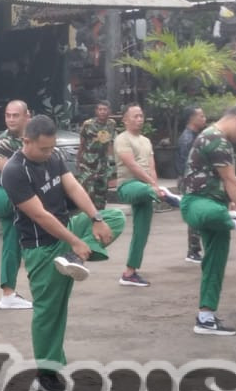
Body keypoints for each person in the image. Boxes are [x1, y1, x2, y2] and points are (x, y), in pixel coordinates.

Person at [2, 115, 125, 391]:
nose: (48, 154)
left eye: (51, 148)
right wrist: (75, 242)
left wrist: (94, 218)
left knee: (114, 218)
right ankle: (47, 373)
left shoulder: (53, 156)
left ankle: (73, 258)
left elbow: (73, 187)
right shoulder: (14, 171)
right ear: (26, 141)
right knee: (50, 311)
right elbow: (39, 215)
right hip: (41, 247)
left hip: (67, 231)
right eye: (43, 149)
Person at [180, 104, 236, 335]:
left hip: (215, 203)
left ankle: (206, 317)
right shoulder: (216, 139)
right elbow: (231, 179)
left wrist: (231, 201)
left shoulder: (217, 138)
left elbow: (223, 183)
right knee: (213, 214)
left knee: (215, 263)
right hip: (196, 203)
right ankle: (232, 219)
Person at [113, 104, 181, 287]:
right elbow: (132, 165)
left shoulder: (146, 141)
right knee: (147, 189)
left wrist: (155, 185)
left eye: (141, 116)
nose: (139, 119)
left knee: (142, 231)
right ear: (125, 120)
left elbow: (151, 167)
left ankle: (129, 272)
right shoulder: (122, 139)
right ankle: (168, 197)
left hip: (146, 189)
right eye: (135, 116)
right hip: (128, 186)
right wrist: (153, 187)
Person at [0, 100, 33, 310]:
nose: (11, 119)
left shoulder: (34, 137)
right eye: (8, 115)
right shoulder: (3, 142)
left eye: (15, 115)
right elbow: (12, 176)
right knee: (29, 210)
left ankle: (8, 294)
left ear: (26, 116)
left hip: (19, 197)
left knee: (13, 239)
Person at [175, 106, 207, 262]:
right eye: (201, 116)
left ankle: (197, 248)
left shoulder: (196, 136)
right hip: (190, 180)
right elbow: (186, 165)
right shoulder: (188, 139)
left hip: (196, 179)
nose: (204, 118)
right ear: (192, 118)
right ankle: (193, 251)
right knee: (195, 215)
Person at [75, 101, 118, 210]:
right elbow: (82, 143)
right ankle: (87, 217)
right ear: (96, 111)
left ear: (109, 111)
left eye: (105, 109)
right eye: (100, 109)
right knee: (87, 192)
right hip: (88, 164)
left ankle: (99, 218)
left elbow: (110, 144)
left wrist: (112, 166)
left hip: (103, 164)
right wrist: (78, 160)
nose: (102, 112)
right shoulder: (88, 124)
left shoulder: (111, 124)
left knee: (101, 194)